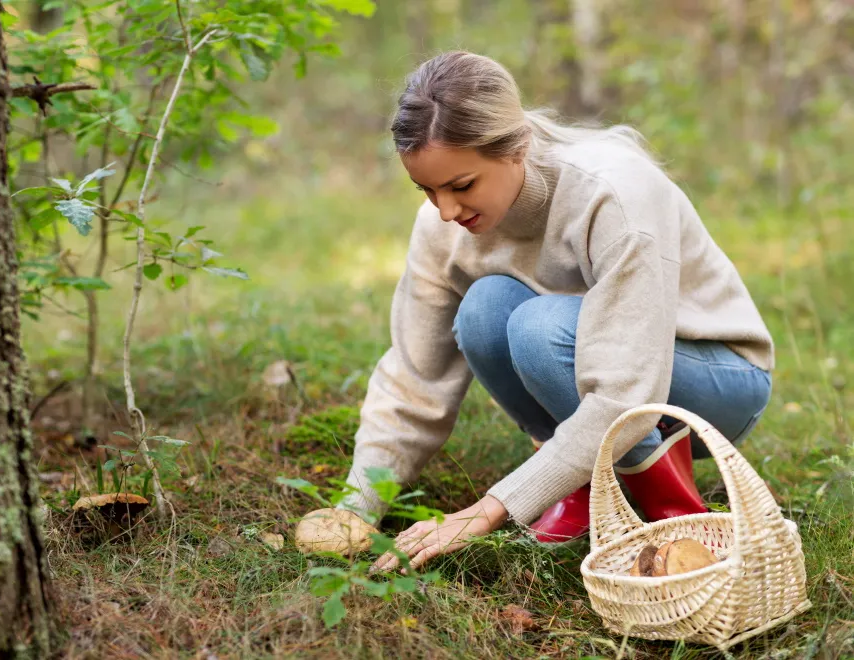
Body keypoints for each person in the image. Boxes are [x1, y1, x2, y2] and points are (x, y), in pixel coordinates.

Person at [330, 50, 773, 573]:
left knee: (540, 328)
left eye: (462, 185)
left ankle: (672, 509)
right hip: (597, 369)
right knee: (484, 309)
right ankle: (580, 480)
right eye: (426, 190)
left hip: (713, 380)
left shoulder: (613, 194)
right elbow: (414, 376)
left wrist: (484, 511)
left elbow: (623, 392)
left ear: (516, 148)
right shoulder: (443, 228)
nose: (445, 211)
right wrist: (358, 505)